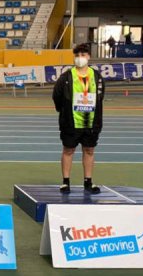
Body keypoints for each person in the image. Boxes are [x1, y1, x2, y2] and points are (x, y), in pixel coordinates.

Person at [52, 43, 105, 194]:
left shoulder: (97, 77)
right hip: (71, 122)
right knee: (68, 150)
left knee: (89, 150)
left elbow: (100, 97)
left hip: (91, 122)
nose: (80, 58)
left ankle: (88, 182)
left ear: (88, 57)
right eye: (77, 56)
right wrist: (63, 111)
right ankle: (65, 182)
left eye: (83, 55)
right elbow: (57, 96)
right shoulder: (66, 77)